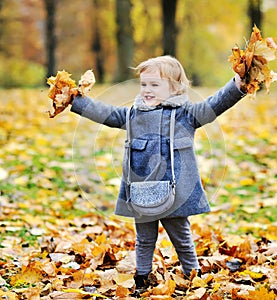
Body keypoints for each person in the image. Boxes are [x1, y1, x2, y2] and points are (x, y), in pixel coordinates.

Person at [70, 55, 246, 293]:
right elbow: (107, 113)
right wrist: (74, 101)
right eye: (144, 84)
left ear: (174, 88)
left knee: (182, 237)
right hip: (142, 189)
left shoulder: (185, 115)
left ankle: (192, 275)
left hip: (176, 190)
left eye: (155, 85)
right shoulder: (133, 114)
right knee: (144, 239)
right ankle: (142, 278)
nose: (147, 90)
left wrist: (237, 85)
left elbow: (214, 105)